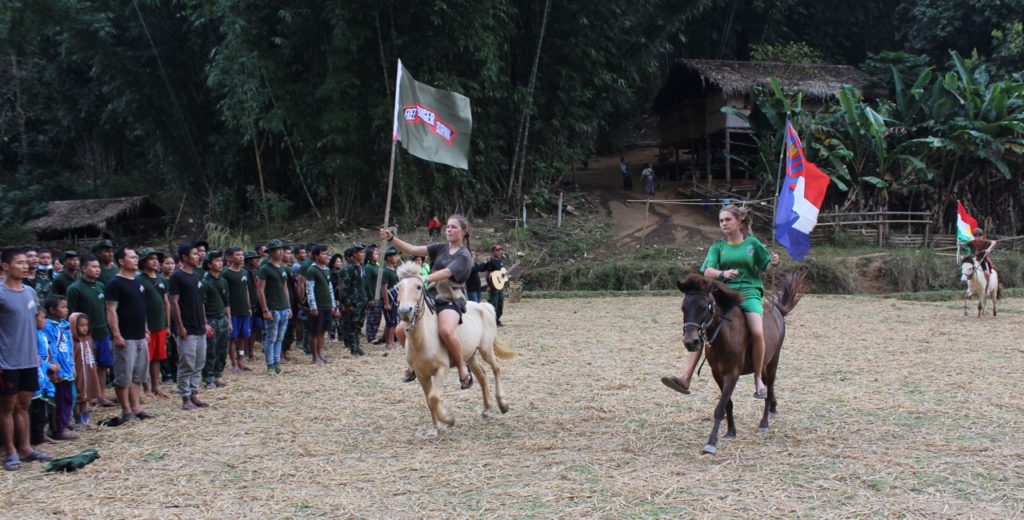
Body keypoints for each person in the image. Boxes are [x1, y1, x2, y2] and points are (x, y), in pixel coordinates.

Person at [663, 205, 779, 399]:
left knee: (758, 331)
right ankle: (685, 377)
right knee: (701, 327)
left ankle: (759, 379)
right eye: (721, 221)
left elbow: (764, 266)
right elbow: (708, 271)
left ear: (739, 221)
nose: (724, 224)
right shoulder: (718, 247)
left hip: (749, 292)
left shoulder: (752, 244)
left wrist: (772, 263)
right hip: (723, 292)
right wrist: (723, 273)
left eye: (727, 220)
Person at [381, 214, 475, 389]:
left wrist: (425, 277)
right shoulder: (440, 247)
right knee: (401, 329)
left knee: (446, 331)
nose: (449, 229)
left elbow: (447, 272)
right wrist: (392, 239)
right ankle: (414, 363)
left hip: (450, 297)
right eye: (447, 226)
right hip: (430, 295)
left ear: (464, 231)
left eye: (454, 227)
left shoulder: (464, 255)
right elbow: (414, 250)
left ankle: (462, 366)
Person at [0, 248, 52, 470]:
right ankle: (10, 452)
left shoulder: (30, 292)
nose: (24, 266)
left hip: (29, 359)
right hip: (6, 360)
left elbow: (33, 325)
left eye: (25, 263)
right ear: (5, 266)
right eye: (19, 262)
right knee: (7, 407)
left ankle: (26, 448)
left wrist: (39, 356)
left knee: (24, 405)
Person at [105, 247, 155, 422]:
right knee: (123, 376)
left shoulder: (138, 282)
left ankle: (136, 408)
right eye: (132, 257)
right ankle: (126, 410)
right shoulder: (115, 283)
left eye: (136, 257)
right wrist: (116, 334)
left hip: (140, 335)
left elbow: (142, 309)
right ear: (121, 261)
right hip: (125, 337)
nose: (136, 259)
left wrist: (146, 329)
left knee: (138, 375)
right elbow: (111, 310)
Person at [65, 254, 116, 407]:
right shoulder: (74, 289)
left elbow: (107, 309)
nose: (97, 270)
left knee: (103, 366)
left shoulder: (101, 286)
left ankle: (100, 395)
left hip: (102, 332)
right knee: (85, 367)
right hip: (85, 336)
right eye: (93, 267)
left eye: (98, 267)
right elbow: (71, 315)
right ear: (83, 268)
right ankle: (85, 397)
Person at [169, 242, 212, 410]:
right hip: (186, 328)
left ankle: (194, 394)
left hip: (199, 326)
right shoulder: (177, 276)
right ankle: (185, 397)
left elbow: (200, 302)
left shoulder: (196, 276)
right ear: (184, 257)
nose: (198, 256)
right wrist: (179, 326)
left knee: (199, 362)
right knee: (187, 363)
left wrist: (205, 323)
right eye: (194, 254)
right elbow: (174, 302)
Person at [138, 248, 171, 398]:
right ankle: (146, 388)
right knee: (146, 358)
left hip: (160, 325)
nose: (155, 261)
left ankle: (156, 387)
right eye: (151, 258)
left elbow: (166, 303)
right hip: (147, 326)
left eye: (156, 259)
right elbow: (139, 305)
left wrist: (167, 324)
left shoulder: (162, 279)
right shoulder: (139, 280)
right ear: (143, 262)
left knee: (157, 357)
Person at [42, 295, 76, 440]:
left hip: (67, 367)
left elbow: (69, 347)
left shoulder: (65, 325)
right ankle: (58, 429)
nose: (66, 310)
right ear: (52, 310)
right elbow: (50, 349)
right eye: (62, 307)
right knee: (59, 400)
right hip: (58, 369)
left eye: (66, 306)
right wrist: (54, 368)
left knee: (69, 397)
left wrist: (72, 365)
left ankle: (65, 421)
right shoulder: (48, 327)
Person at [256, 239, 291, 374]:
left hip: (283, 308)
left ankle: (276, 362)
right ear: (270, 252)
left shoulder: (282, 268)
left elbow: (285, 288)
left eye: (282, 249)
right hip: (272, 308)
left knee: (280, 337)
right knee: (271, 337)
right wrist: (265, 309)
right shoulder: (265, 268)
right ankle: (270, 364)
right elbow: (260, 290)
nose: (281, 252)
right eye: (278, 249)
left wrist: (288, 307)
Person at [201, 251, 231, 389]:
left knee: (222, 349)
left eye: (221, 260)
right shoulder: (205, 282)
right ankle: (209, 377)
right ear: (209, 264)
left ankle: (218, 374)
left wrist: (229, 320)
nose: (220, 263)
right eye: (217, 261)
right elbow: (201, 304)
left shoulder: (223, 281)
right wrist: (205, 322)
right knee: (210, 350)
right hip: (211, 318)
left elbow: (227, 303)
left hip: (222, 318)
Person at [304, 244, 337, 365]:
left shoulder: (326, 269)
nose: (326, 256)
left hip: (327, 305)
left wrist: (333, 304)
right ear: (316, 256)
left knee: (322, 331)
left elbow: (330, 288)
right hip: (317, 307)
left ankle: (320, 354)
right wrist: (313, 306)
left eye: (326, 253)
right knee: (314, 332)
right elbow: (309, 289)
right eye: (323, 253)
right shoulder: (312, 270)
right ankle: (314, 356)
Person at [69, 313, 102, 428]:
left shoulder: (88, 340)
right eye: (81, 325)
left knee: (87, 392)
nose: (85, 328)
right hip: (79, 371)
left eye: (86, 325)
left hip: (89, 369)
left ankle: (85, 413)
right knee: (79, 393)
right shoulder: (73, 342)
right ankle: (78, 416)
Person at [222, 248, 252, 372]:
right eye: (238, 255)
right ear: (229, 258)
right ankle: (233, 362)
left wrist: (249, 306)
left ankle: (241, 359)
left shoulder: (245, 272)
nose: (241, 257)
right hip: (232, 310)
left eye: (242, 255)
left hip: (244, 310)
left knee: (243, 336)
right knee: (232, 338)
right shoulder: (225, 273)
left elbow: (246, 290)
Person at [30, 308, 56, 446]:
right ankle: (36, 437)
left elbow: (48, 352)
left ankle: (42, 434)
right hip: (37, 374)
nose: (45, 320)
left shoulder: (42, 333)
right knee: (35, 409)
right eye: (42, 318)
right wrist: (48, 366)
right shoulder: (31, 335)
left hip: (44, 375)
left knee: (44, 407)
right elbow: (37, 357)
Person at [338, 244, 368, 357]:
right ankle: (353, 348)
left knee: (358, 325)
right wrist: (347, 303)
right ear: (354, 254)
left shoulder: (361, 267)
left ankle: (357, 345)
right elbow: (343, 288)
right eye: (360, 252)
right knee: (352, 325)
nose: (363, 255)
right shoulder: (348, 269)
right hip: (353, 302)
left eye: (363, 252)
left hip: (362, 301)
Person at [381, 247, 401, 353]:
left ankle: (392, 341)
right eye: (395, 255)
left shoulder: (396, 270)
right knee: (389, 323)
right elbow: (384, 287)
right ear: (388, 258)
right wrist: (386, 303)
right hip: (389, 299)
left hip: (396, 299)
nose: (397, 257)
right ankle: (388, 343)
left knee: (394, 321)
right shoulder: (386, 271)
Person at [363, 244, 385, 345]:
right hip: (373, 296)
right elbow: (366, 283)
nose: (377, 255)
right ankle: (370, 336)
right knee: (372, 317)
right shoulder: (368, 267)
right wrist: (370, 297)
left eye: (377, 253)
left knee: (378, 317)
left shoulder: (378, 265)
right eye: (375, 253)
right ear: (370, 256)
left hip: (380, 295)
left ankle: (374, 335)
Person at [243, 251, 262, 363]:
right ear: (249, 260)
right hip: (247, 305)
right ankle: (245, 351)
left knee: (256, 327)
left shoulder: (257, 271)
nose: (257, 261)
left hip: (257, 304)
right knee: (247, 329)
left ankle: (251, 351)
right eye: (254, 259)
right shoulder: (244, 272)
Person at [482, 244, 506, 326]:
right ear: (493, 252)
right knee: (493, 304)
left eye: (500, 250)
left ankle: (497, 320)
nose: (499, 252)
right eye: (497, 250)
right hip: (493, 286)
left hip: (500, 286)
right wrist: (489, 285)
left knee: (500, 304)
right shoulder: (490, 262)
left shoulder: (501, 260)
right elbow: (487, 274)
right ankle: (492, 322)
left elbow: (501, 273)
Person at [328, 253, 345, 343]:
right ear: (333, 263)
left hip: (341, 298)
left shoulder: (342, 273)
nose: (340, 263)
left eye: (340, 261)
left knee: (341, 317)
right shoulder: (330, 273)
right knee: (333, 317)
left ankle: (341, 335)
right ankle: (331, 335)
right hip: (333, 298)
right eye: (337, 261)